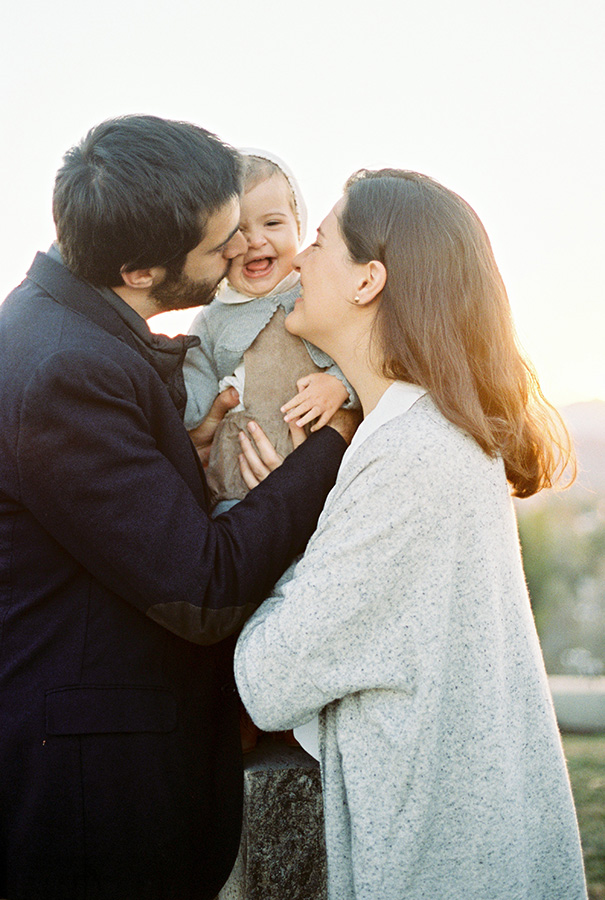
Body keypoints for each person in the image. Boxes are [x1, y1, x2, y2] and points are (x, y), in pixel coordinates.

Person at [0, 115, 352, 900]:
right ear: (140, 270)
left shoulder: (65, 334)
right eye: (217, 243)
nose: (238, 251)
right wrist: (336, 440)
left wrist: (179, 464)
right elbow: (198, 591)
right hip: (96, 799)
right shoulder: (64, 367)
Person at [234, 169, 588, 899]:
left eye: (320, 241)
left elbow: (269, 679)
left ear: (369, 280)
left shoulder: (411, 456)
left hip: (444, 864)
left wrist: (267, 540)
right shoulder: (419, 432)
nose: (297, 258)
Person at [183, 149, 356, 515]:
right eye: (238, 231)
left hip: (321, 482)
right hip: (235, 482)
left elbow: (365, 354)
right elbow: (192, 385)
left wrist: (340, 384)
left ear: (300, 228)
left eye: (272, 224)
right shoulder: (214, 317)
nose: (255, 241)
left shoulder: (317, 293)